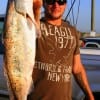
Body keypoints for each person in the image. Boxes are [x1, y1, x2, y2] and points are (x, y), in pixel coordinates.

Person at [28, 0, 94, 100]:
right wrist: (35, 7)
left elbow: (77, 69)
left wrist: (90, 96)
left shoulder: (73, 31)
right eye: (50, 1)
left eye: (61, 1)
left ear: (66, 4)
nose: (56, 5)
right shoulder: (33, 27)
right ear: (43, 3)